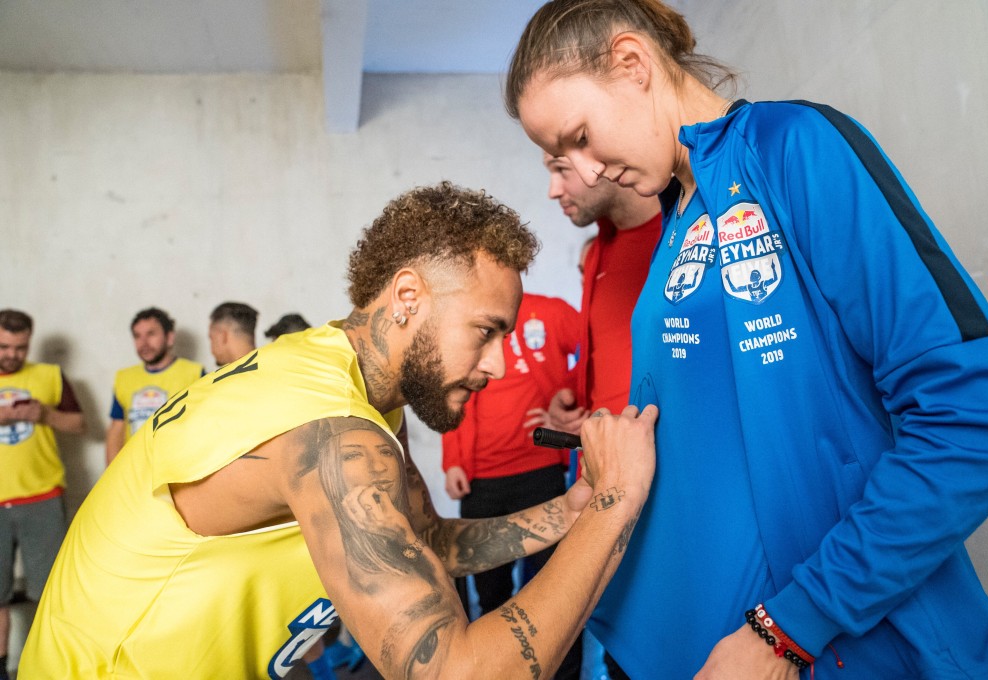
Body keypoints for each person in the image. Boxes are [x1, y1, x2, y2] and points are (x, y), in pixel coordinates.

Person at [505, 1, 988, 678]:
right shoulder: (677, 218)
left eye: (578, 136)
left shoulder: (791, 149)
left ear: (632, 64)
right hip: (672, 647)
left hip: (809, 648)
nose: (581, 172)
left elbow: (980, 415)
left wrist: (789, 627)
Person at [21, 181, 658, 679]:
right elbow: (458, 673)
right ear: (408, 298)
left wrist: (571, 512)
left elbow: (425, 539)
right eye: (485, 331)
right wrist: (613, 505)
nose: (495, 364)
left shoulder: (349, 383)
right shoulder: (330, 427)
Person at [442, 291, 581, 676]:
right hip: (481, 483)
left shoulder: (550, 311)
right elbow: (450, 389)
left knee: (556, 597)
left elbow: (595, 345)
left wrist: (563, 393)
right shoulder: (466, 316)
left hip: (539, 474)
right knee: (490, 598)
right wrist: (453, 460)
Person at [541, 151, 661, 445]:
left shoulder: (684, 235)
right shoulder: (600, 248)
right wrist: (574, 393)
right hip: (609, 471)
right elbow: (613, 350)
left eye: (561, 170)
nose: (552, 191)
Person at [0, 310, 85, 680]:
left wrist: (45, 414)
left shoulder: (49, 376)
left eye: (20, 347)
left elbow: (80, 424)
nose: (11, 354)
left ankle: (44, 667)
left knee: (49, 593)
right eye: (4, 346)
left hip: (42, 497)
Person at [104, 307, 204, 465]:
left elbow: (205, 428)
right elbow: (117, 427)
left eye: (151, 334)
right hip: (136, 471)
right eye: (137, 336)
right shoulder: (124, 377)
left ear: (169, 337)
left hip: (179, 470)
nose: (143, 343)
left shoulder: (195, 373)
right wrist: (110, 475)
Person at [209, 301, 259, 366]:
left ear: (222, 337)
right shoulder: (273, 367)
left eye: (211, 338)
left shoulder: (222, 376)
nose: (212, 351)